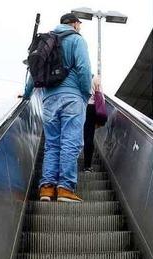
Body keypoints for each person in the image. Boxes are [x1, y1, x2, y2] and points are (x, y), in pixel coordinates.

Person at [23, 13, 92, 202]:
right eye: (80, 24)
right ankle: (65, 188)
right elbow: (84, 68)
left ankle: (47, 188)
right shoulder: (77, 40)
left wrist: (27, 94)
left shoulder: (48, 40)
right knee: (71, 141)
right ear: (76, 24)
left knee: (52, 144)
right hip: (72, 97)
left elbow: (35, 71)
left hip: (49, 100)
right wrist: (86, 93)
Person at [82, 75, 101, 172]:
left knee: (80, 136)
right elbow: (101, 97)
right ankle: (87, 166)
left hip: (81, 106)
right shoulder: (95, 79)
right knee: (89, 137)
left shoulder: (79, 77)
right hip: (92, 108)